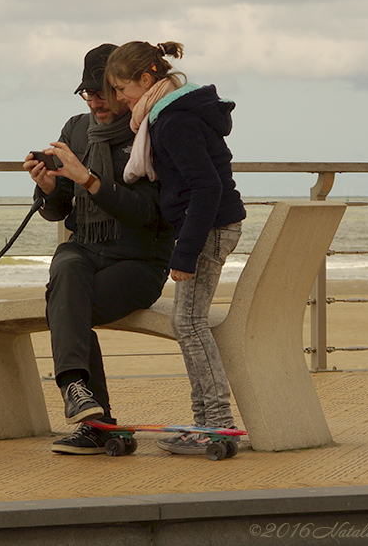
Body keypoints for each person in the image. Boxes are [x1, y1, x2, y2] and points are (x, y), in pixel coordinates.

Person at [23, 44, 174, 455]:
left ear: (121, 89)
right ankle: (77, 391)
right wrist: (50, 188)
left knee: (67, 303)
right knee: (67, 267)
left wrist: (91, 181)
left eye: (102, 93)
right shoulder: (76, 129)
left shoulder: (150, 130)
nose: (94, 101)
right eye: (86, 94)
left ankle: (97, 425)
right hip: (86, 251)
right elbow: (58, 211)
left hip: (138, 261)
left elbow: (147, 212)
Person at [104, 40, 246, 455]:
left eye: (121, 88)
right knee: (189, 322)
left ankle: (216, 422)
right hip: (212, 224)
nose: (118, 99)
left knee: (189, 323)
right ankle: (206, 422)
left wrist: (184, 253)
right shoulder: (171, 113)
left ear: (146, 79)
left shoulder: (174, 120)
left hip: (209, 227)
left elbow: (206, 187)